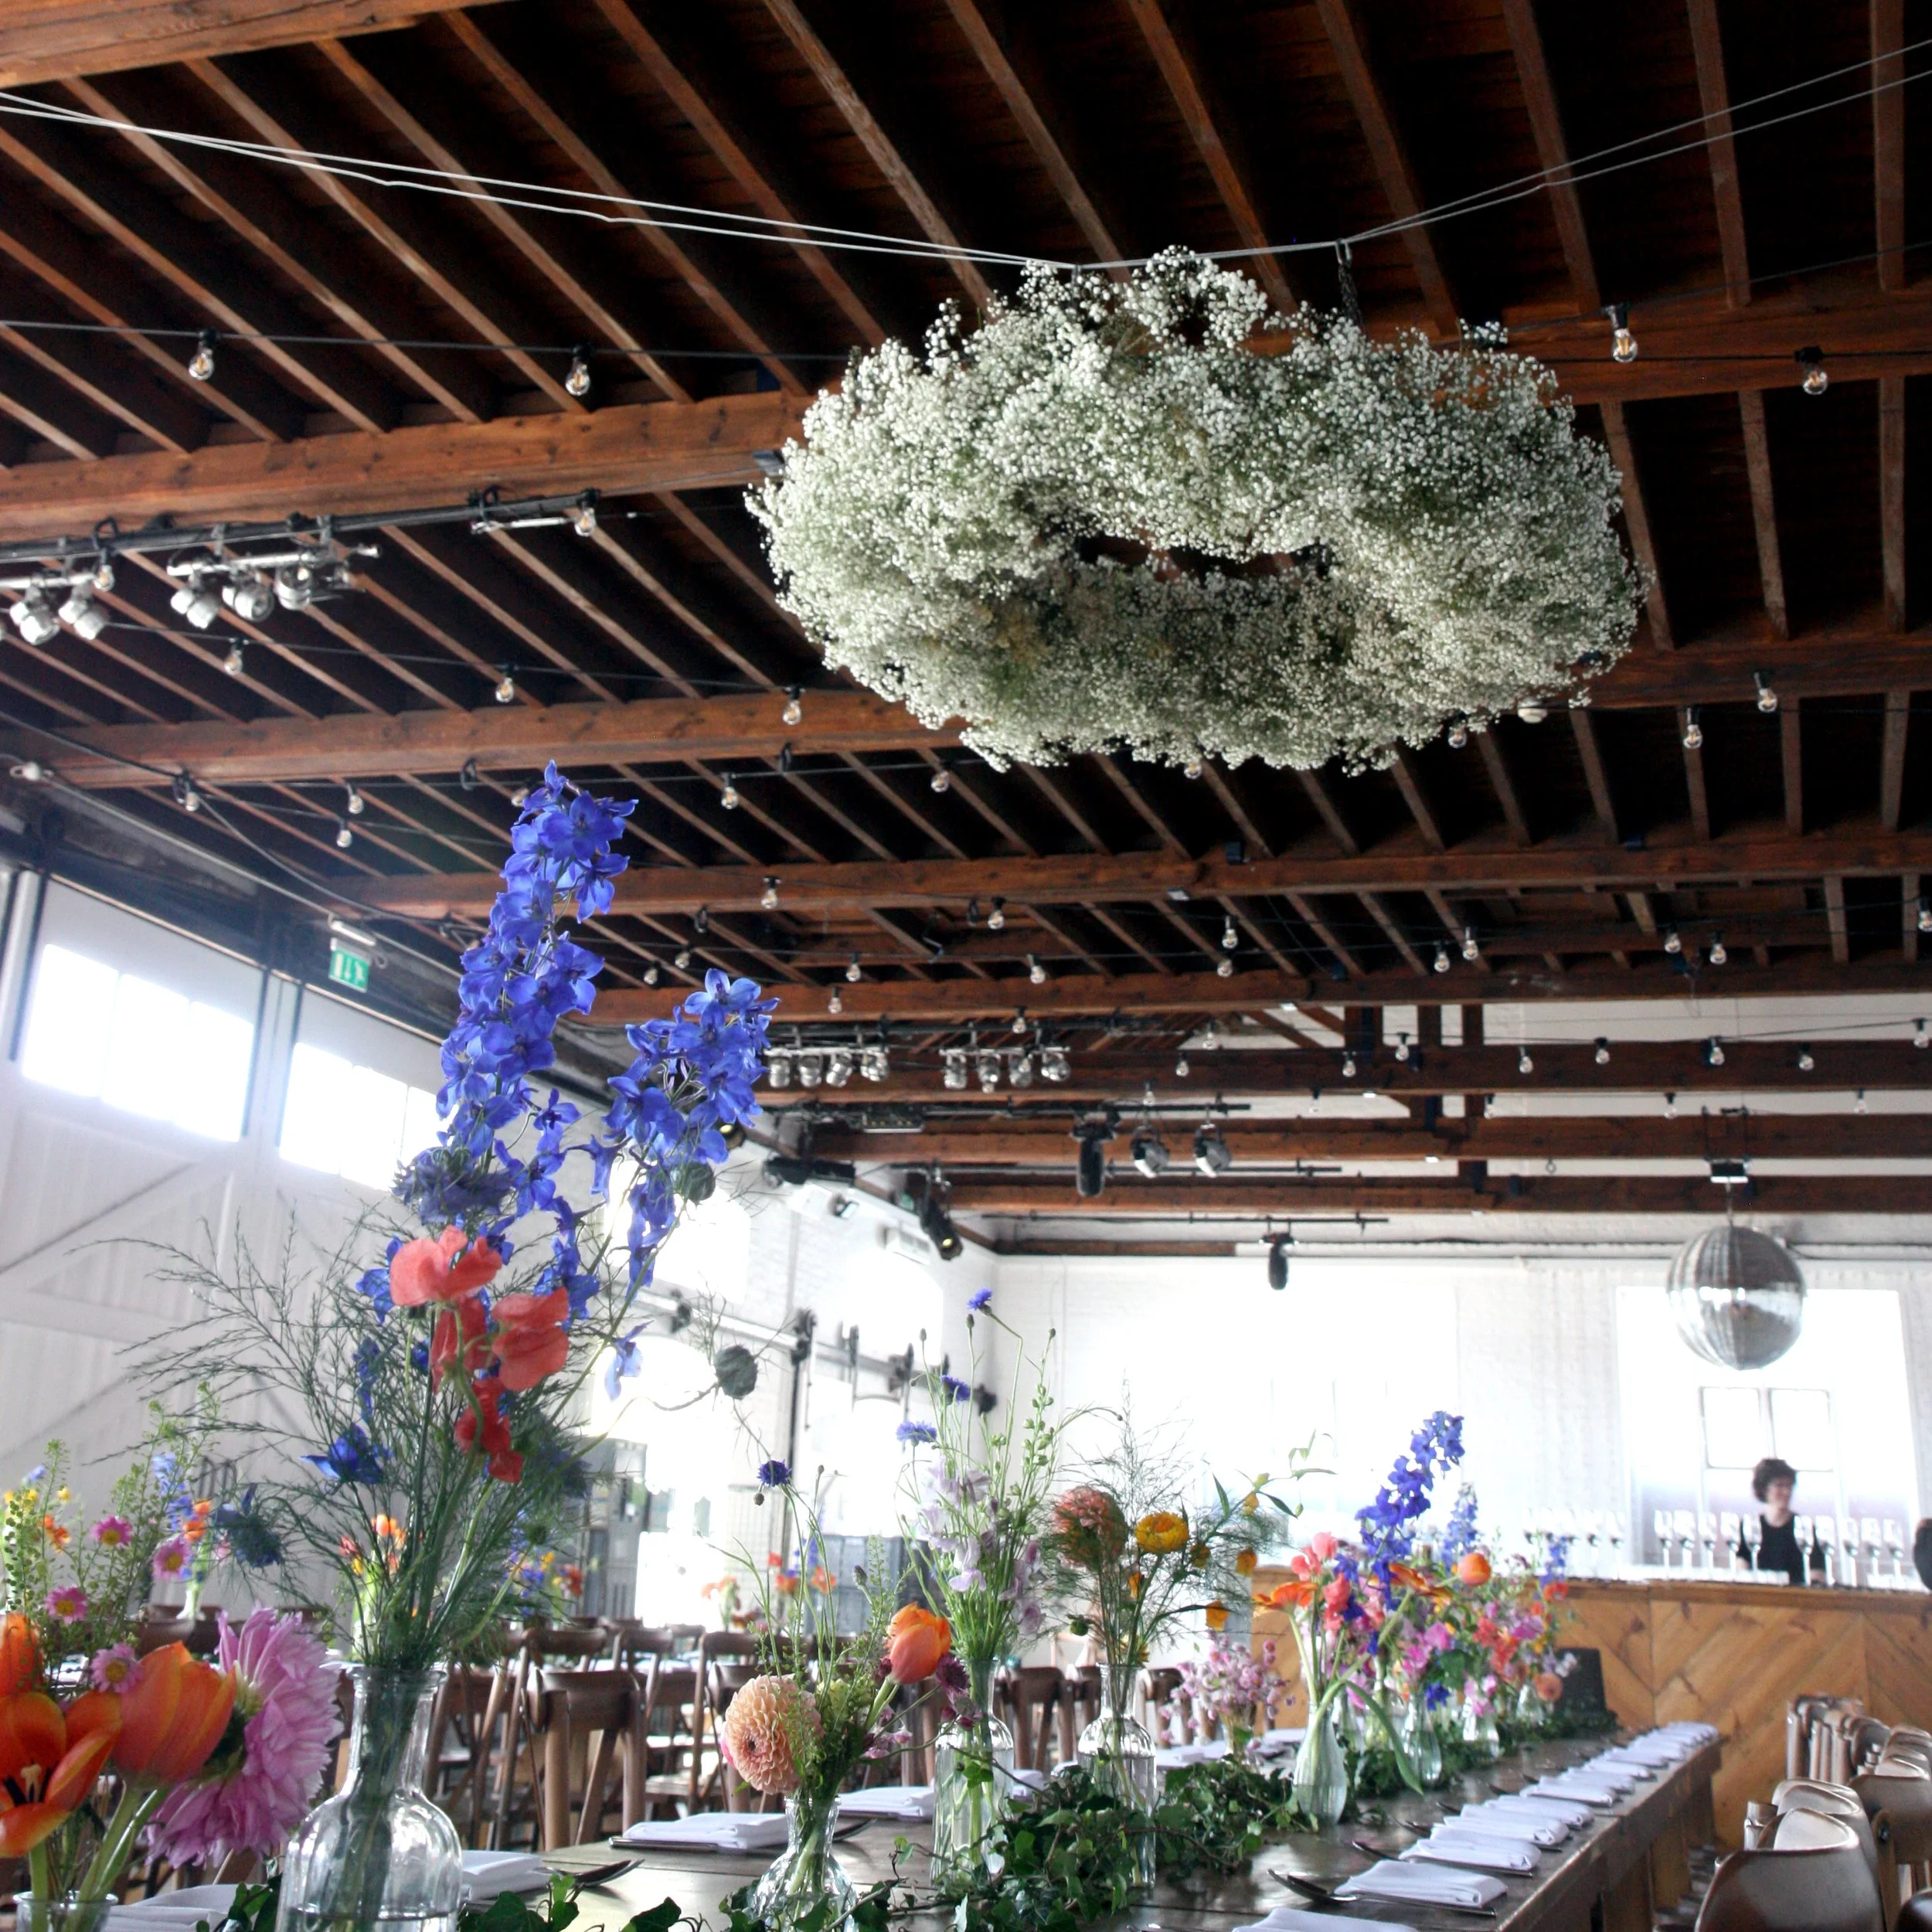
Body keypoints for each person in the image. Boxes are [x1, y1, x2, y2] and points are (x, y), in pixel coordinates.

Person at [1740, 1457, 1815, 1585]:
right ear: (1764, 1489)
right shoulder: (1750, 1527)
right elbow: (1742, 1571)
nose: (1786, 1492)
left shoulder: (1804, 1528)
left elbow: (1816, 1575)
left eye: (1789, 1486)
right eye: (1780, 1486)